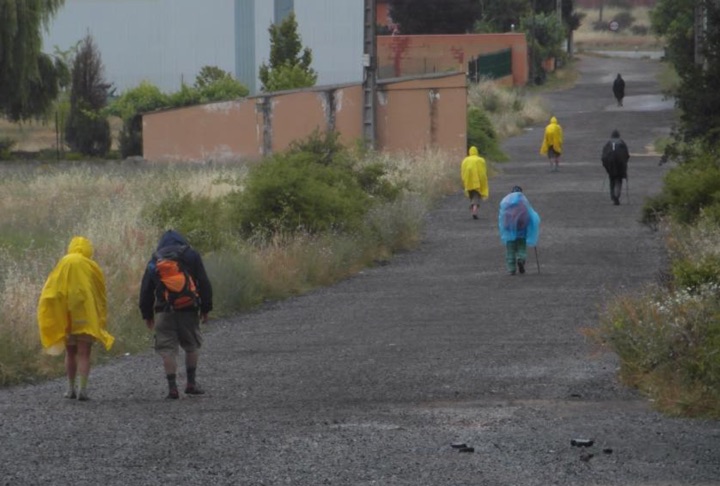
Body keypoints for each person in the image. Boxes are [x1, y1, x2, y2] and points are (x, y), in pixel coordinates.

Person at [37, 236, 114, 401]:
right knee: (84, 353)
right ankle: (83, 390)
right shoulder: (91, 265)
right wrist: (99, 316)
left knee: (70, 353)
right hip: (86, 315)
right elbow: (100, 292)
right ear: (88, 249)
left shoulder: (64, 263)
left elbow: (52, 288)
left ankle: (70, 388)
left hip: (67, 316)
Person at [139, 230, 213, 399]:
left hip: (163, 310)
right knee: (192, 344)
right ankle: (191, 383)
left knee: (167, 349)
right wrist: (206, 308)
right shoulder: (191, 255)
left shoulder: (155, 259)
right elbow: (204, 281)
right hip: (189, 308)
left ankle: (172, 388)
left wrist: (147, 314)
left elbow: (146, 289)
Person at [498, 186, 541, 276]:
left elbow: (503, 220)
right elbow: (531, 217)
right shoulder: (524, 205)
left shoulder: (506, 205)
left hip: (509, 233)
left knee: (510, 251)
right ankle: (520, 259)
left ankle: (511, 269)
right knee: (521, 249)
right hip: (521, 232)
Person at [601, 129, 631, 206]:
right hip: (620, 164)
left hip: (610, 164)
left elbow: (603, 156)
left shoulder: (608, 143)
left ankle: (613, 196)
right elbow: (627, 155)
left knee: (612, 179)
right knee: (619, 179)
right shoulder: (622, 143)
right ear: (618, 136)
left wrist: (606, 166)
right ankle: (616, 195)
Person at [461, 146, 489, 220]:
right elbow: (482, 172)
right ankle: (474, 211)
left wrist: (464, 181)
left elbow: (463, 172)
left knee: (472, 197)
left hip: (468, 182)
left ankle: (473, 207)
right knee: (476, 198)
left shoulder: (465, 160)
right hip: (477, 183)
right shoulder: (480, 160)